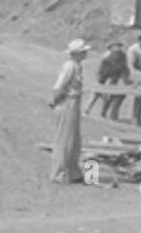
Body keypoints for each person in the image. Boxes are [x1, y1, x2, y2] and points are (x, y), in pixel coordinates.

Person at [49, 39, 89, 183]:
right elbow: (58, 86)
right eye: (83, 51)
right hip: (67, 102)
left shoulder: (77, 66)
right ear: (77, 53)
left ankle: (72, 171)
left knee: (73, 138)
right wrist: (56, 100)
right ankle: (60, 173)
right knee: (64, 138)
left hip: (74, 101)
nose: (86, 53)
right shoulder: (69, 67)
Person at [87, 40, 128, 120]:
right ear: (111, 49)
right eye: (115, 48)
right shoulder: (106, 58)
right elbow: (101, 74)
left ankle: (110, 114)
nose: (118, 50)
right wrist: (105, 83)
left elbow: (124, 70)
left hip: (115, 80)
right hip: (104, 78)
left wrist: (124, 81)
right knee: (98, 93)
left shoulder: (123, 57)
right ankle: (87, 110)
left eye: (119, 47)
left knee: (120, 95)